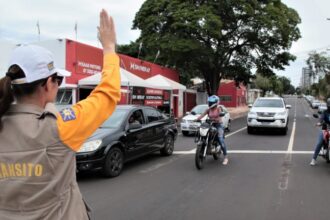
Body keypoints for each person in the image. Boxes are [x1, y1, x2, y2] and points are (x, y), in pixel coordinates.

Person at [0, 9, 120, 220]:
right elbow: (108, 94)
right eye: (58, 80)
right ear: (48, 84)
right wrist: (109, 48)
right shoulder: (60, 126)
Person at [195, 95, 229, 165]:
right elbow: (202, 115)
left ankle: (225, 157)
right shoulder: (208, 109)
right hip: (210, 124)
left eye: (211, 102)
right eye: (209, 102)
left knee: (220, 140)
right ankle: (207, 146)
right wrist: (197, 119)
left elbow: (220, 116)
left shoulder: (219, 108)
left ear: (216, 102)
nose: (209, 103)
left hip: (218, 125)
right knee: (203, 133)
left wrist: (216, 119)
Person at [310, 98, 330, 166]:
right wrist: (319, 122)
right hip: (325, 130)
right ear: (327, 105)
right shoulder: (325, 112)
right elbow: (321, 118)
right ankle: (313, 159)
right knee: (319, 143)